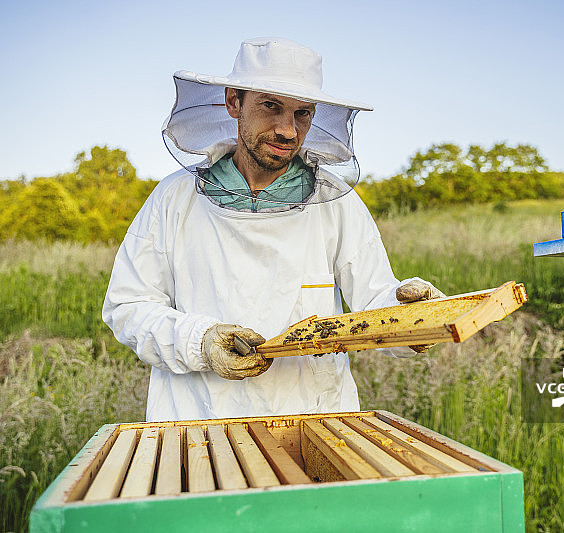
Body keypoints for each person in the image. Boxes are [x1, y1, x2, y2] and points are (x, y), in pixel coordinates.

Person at [103, 37, 444, 422]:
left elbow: (375, 299)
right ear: (234, 102)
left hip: (314, 421)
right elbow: (128, 306)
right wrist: (201, 341)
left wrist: (413, 314)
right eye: (271, 106)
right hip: (199, 423)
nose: (287, 130)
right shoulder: (173, 199)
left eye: (303, 114)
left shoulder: (336, 201)